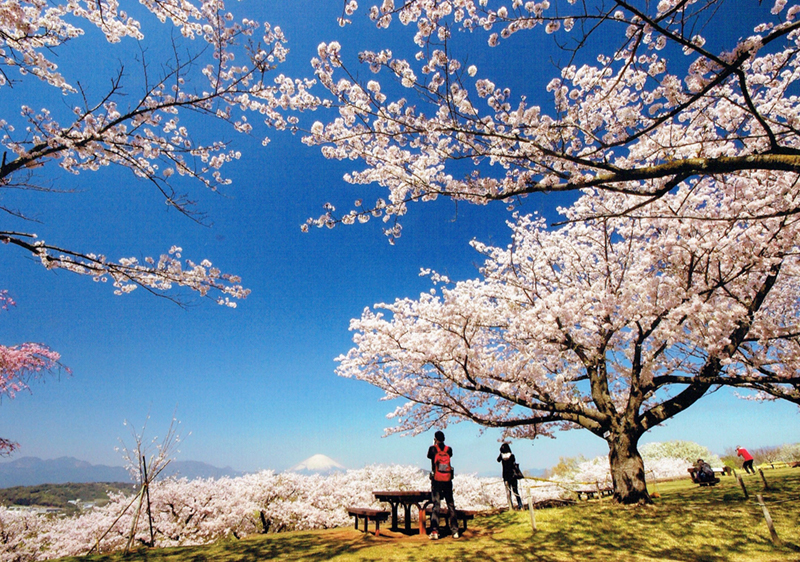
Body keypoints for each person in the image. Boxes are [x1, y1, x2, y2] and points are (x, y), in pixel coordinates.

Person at [427, 431, 459, 540]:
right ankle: (455, 531)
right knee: (450, 504)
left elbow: (429, 456)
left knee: (436, 505)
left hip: (436, 480)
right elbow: (450, 456)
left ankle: (435, 531)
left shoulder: (432, 449)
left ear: (435, 439)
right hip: (447, 480)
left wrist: (434, 444)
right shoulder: (448, 450)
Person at [497, 443, 524, 510]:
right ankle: (520, 505)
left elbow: (498, 460)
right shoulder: (512, 456)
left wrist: (501, 455)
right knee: (515, 491)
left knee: (508, 492)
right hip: (513, 476)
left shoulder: (502, 456)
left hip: (506, 476)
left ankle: (510, 506)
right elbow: (513, 463)